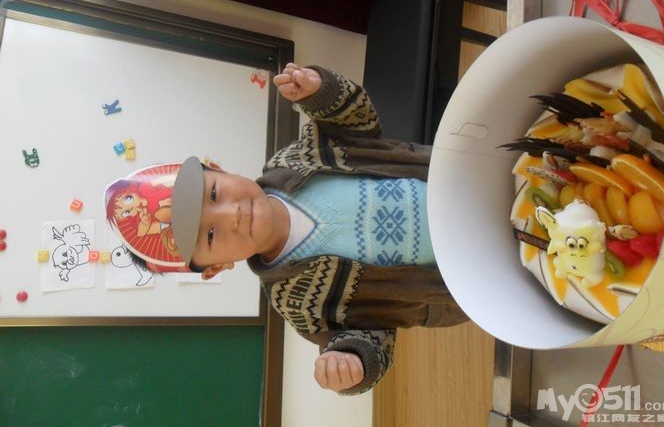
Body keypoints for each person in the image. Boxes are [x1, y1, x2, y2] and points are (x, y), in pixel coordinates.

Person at [105, 63, 468, 395]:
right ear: (216, 267)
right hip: (470, 277)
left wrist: (321, 91)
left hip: (462, 179)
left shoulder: (296, 158)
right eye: (211, 235)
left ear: (221, 169)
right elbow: (375, 337)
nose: (231, 215)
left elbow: (361, 122)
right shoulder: (297, 302)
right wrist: (351, 360)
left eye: (214, 194)